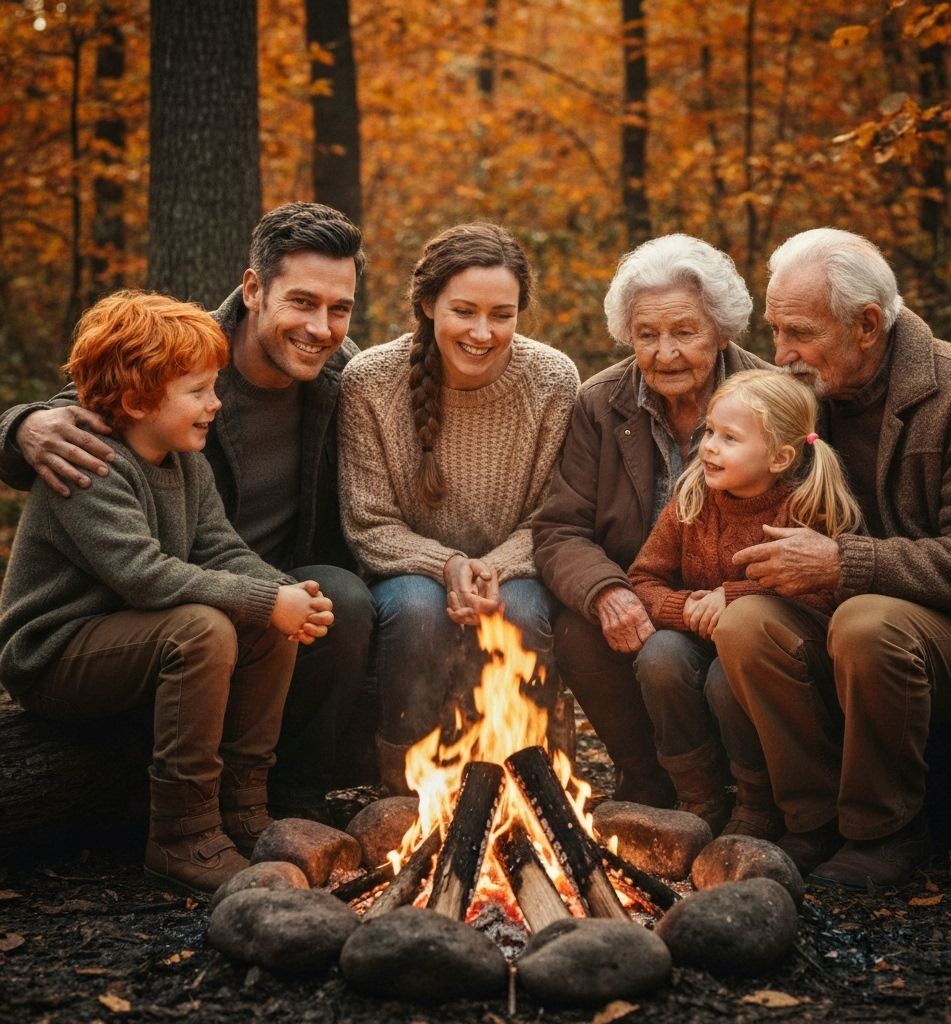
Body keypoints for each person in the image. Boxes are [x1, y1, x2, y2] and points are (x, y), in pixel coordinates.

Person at [0, 203, 375, 817]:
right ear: (253, 289)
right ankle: (179, 814)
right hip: (145, 605)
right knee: (208, 629)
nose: (322, 326)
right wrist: (20, 426)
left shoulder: (343, 369)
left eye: (340, 308)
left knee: (340, 600)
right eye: (302, 302)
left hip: (249, 583)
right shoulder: (182, 356)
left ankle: (286, 800)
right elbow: (91, 405)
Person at [713, 227, 951, 888]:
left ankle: (884, 833)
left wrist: (844, 564)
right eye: (774, 331)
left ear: (867, 325)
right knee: (745, 626)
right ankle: (813, 822)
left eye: (799, 333)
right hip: (840, 608)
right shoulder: (796, 396)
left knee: (868, 624)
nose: (780, 354)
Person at [0, 291, 334, 893]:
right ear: (136, 399)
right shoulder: (92, 465)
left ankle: (244, 805)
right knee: (204, 627)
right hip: (57, 653)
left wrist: (284, 594)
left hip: (133, 634)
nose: (216, 403)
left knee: (265, 619)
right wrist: (261, 599)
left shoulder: (185, 463)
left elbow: (219, 548)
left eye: (214, 386)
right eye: (199, 391)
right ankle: (182, 834)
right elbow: (144, 574)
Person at [339, 222, 580, 793]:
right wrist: (448, 565)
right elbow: (368, 521)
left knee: (519, 612)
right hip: (410, 572)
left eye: (503, 314)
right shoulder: (370, 381)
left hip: (515, 568)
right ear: (427, 304)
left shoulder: (552, 379)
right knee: (418, 611)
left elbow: (552, 516)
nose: (482, 331)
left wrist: (491, 569)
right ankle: (405, 784)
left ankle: (534, 781)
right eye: (464, 311)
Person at [532, 233, 770, 807]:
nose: (665, 354)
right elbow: (560, 528)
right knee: (578, 626)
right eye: (647, 335)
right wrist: (608, 591)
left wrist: (736, 597)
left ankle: (756, 795)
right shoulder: (600, 403)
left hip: (746, 603)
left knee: (708, 664)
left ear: (721, 329)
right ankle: (647, 779)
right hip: (648, 601)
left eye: (684, 332)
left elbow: (809, 525)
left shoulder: (772, 400)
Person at [628, 369, 860, 836]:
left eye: (730, 438)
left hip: (770, 656)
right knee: (660, 657)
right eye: (710, 431)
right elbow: (643, 579)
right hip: (700, 638)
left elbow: (824, 597)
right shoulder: (692, 500)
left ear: (779, 457)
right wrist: (687, 607)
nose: (710, 446)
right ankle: (699, 798)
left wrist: (729, 598)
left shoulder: (804, 509)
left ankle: (757, 803)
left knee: (722, 678)